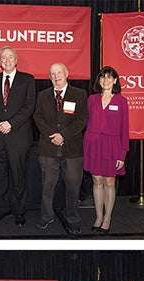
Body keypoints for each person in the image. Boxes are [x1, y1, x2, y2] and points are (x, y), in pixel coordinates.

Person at [33, 62, 88, 236]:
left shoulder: (79, 94)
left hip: (72, 149)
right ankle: (46, 216)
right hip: (48, 148)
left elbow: (82, 119)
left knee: (73, 187)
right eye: (52, 74)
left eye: (59, 72)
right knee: (46, 186)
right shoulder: (42, 95)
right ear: (49, 77)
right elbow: (37, 116)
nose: (56, 76)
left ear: (66, 73)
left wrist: (63, 135)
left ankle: (72, 218)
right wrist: (53, 135)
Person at [0, 46, 36, 226]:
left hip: (18, 137)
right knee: (0, 177)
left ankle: (19, 211)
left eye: (10, 57)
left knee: (18, 176)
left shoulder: (27, 80)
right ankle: (3, 208)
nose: (6, 60)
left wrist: (10, 123)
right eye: (3, 58)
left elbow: (29, 106)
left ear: (16, 60)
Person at [84, 66, 129, 234]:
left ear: (115, 80)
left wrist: (122, 153)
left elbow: (125, 129)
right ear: (99, 81)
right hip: (93, 144)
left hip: (112, 146)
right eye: (103, 77)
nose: (106, 80)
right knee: (96, 180)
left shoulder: (121, 102)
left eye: (109, 77)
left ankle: (107, 217)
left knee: (109, 181)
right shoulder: (92, 99)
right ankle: (98, 216)